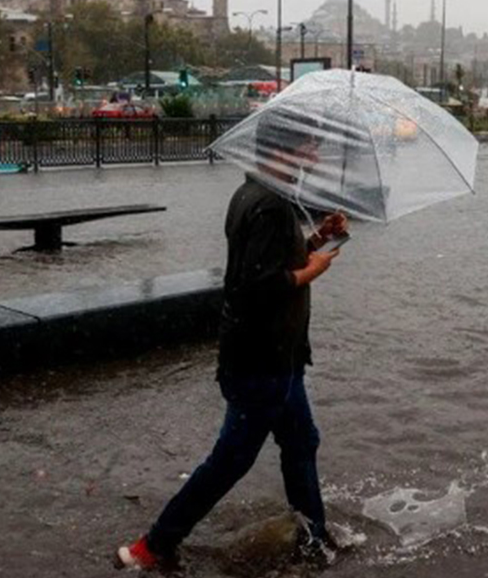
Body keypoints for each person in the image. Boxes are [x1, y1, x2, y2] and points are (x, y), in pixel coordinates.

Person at [115, 112, 346, 571]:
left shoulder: (254, 193)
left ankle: (314, 537)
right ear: (285, 149)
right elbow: (254, 287)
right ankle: (154, 545)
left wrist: (317, 238)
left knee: (302, 443)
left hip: (280, 358)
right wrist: (311, 271)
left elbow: (265, 260)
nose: (316, 155)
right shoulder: (270, 204)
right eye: (310, 146)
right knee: (230, 461)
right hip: (261, 362)